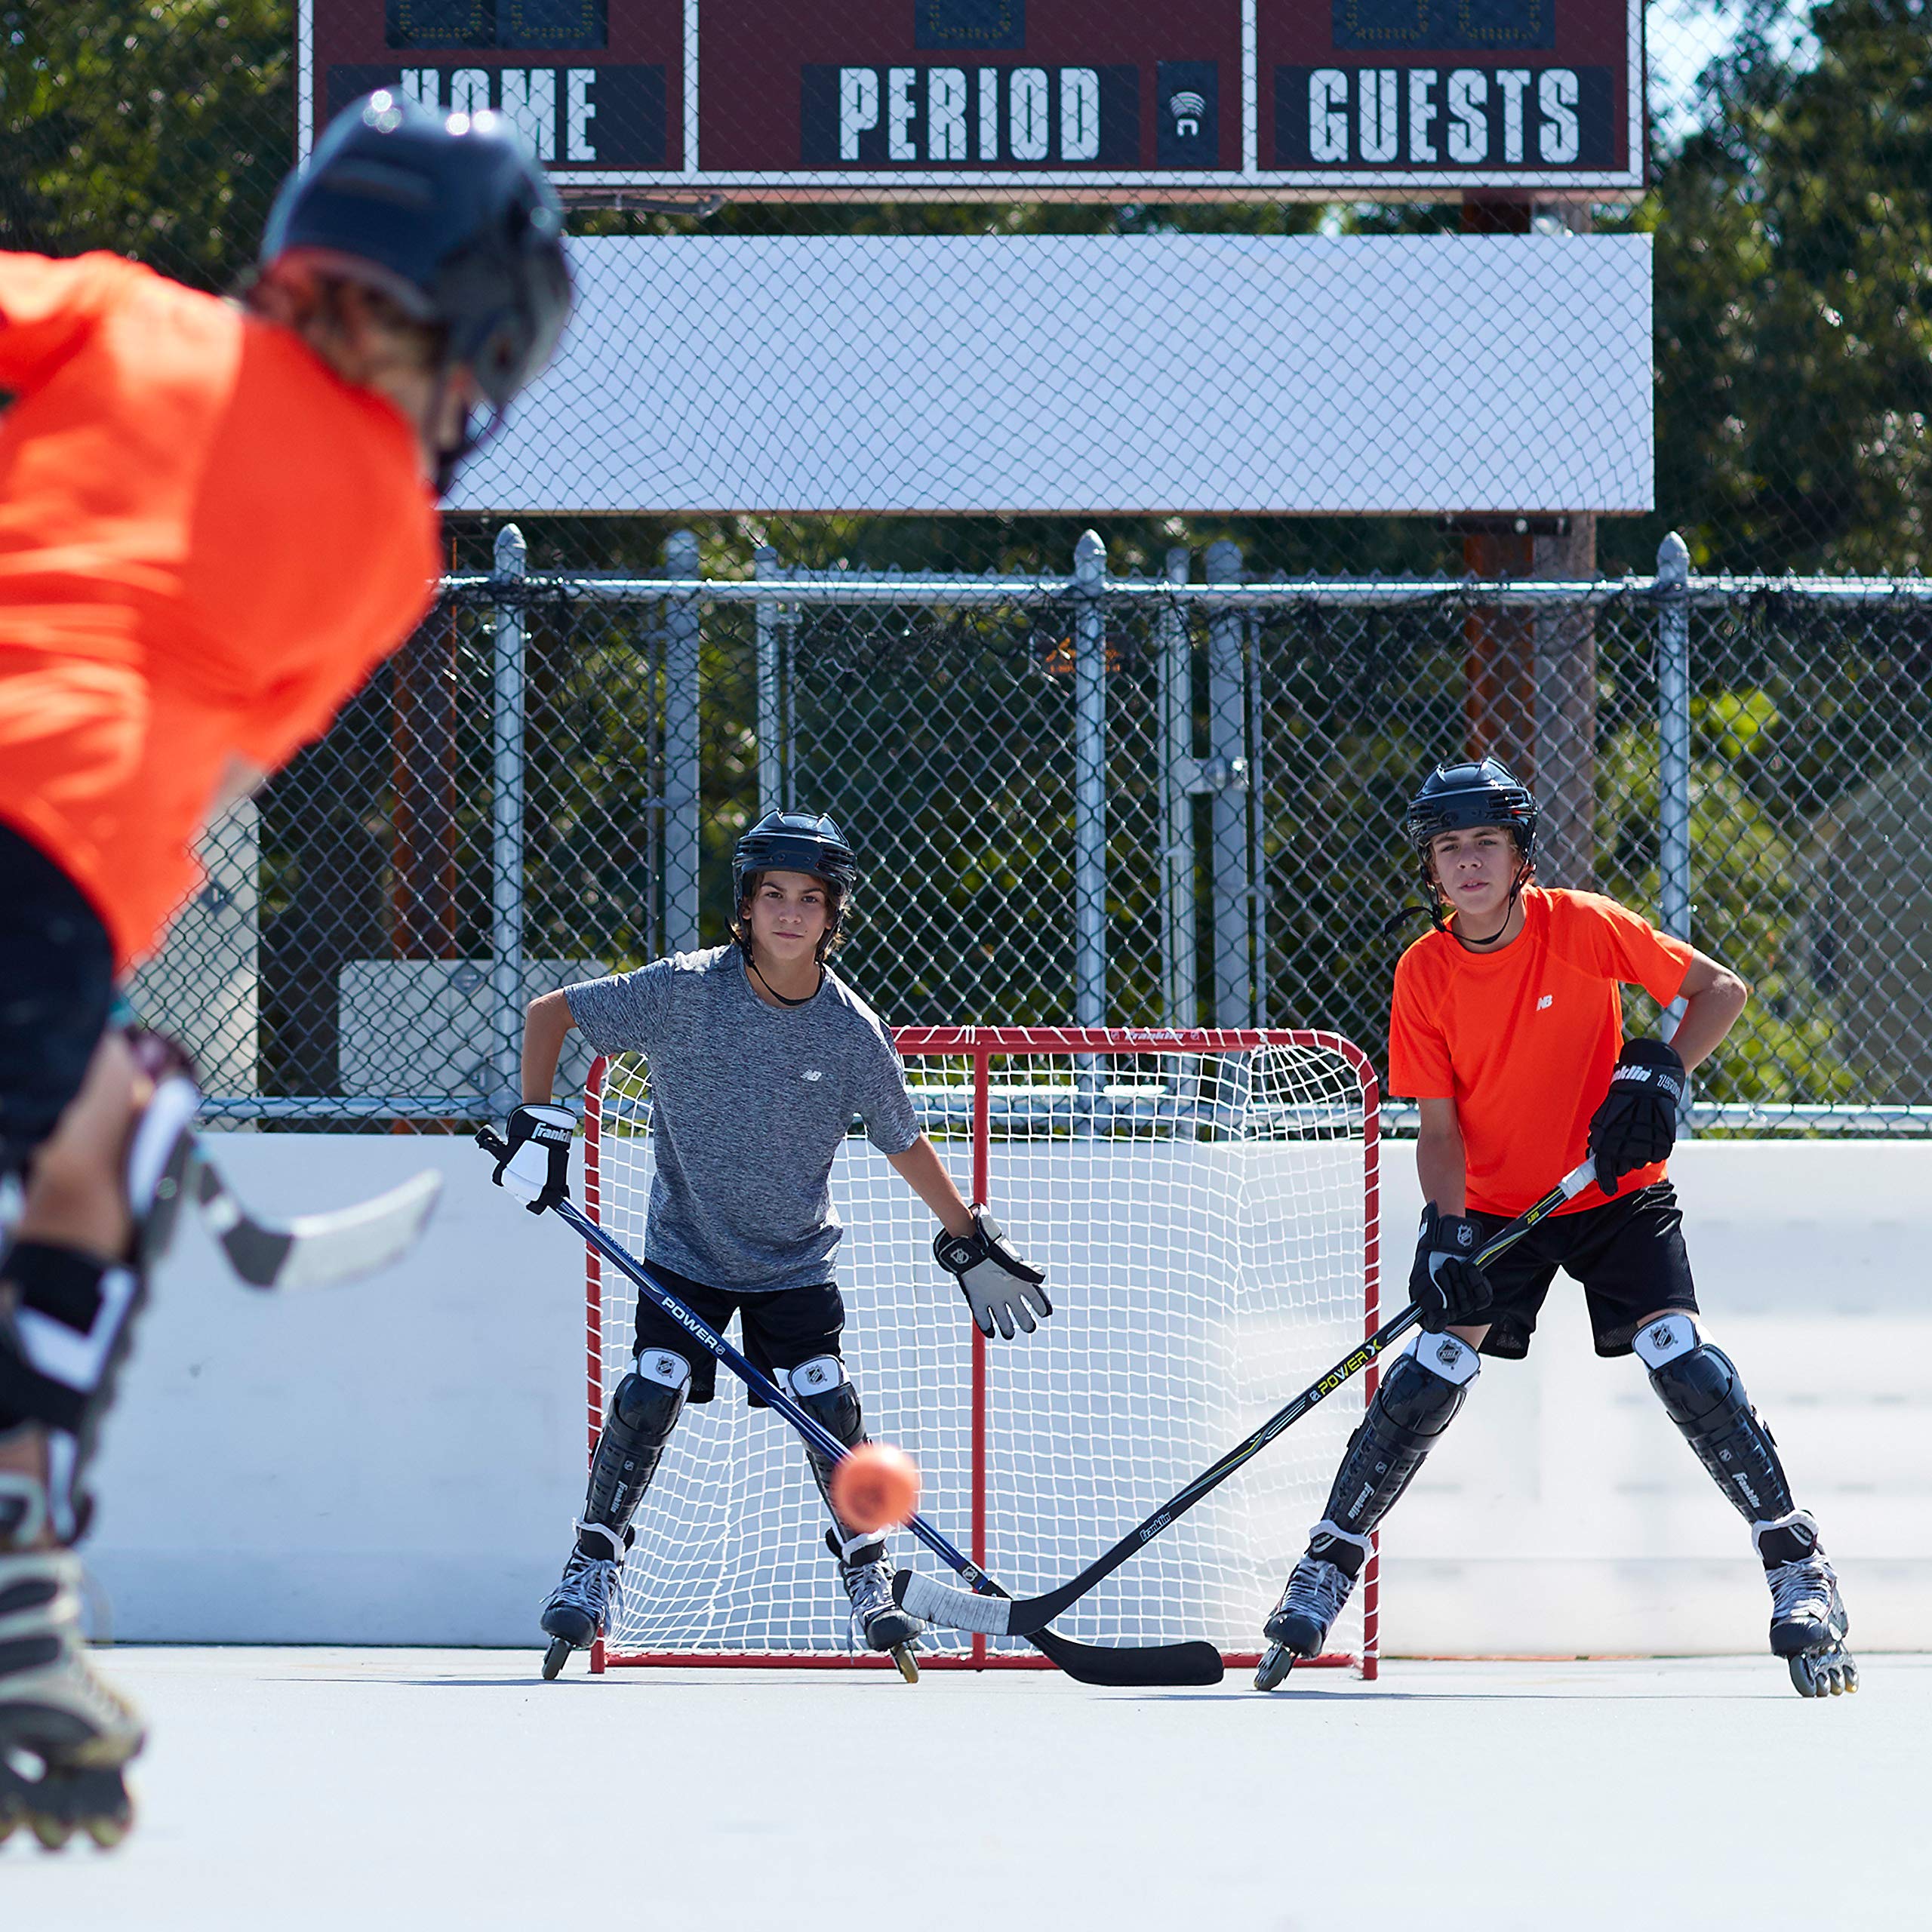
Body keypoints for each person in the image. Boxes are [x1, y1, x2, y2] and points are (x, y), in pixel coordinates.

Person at [0, 92, 571, 1848]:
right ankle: (21, 1581)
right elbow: (203, 770)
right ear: (462, 338)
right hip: (37, 867)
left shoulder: (107, 308)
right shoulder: (389, 548)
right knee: (115, 1131)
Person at [1256, 757, 1857, 1699]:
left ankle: (1797, 1566)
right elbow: (1440, 1125)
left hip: (1613, 1189)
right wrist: (1446, 1232)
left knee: (1677, 1353)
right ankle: (1325, 1565)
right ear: (1430, 867)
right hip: (1500, 1206)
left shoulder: (1580, 923)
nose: (1466, 864)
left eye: (1485, 844)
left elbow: (1720, 992)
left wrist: (1656, 1069)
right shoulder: (1425, 973)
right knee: (1434, 1367)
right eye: (1448, 848)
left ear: (1519, 855)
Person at [492, 810, 1051, 1681]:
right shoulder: (683, 989)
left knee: (824, 1395)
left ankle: (867, 1575)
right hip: (685, 1249)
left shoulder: (849, 1030)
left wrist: (966, 1238)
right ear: (746, 908)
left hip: (792, 1259)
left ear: (834, 915)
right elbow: (549, 1014)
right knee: (653, 1385)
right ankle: (594, 1558)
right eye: (773, 895)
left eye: (810, 899)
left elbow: (902, 1138)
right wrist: (538, 1123)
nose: (790, 913)